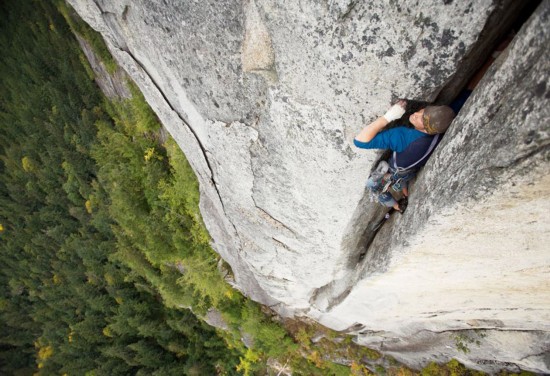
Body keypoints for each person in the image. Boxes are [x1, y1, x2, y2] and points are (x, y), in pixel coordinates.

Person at [354, 99, 459, 212]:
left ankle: (398, 207)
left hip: (397, 173)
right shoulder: (441, 127)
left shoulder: (403, 137)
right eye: (422, 111)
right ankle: (405, 194)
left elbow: (360, 141)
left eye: (421, 118)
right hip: (411, 170)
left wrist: (388, 117)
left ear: (426, 128)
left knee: (372, 185)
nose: (415, 114)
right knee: (403, 176)